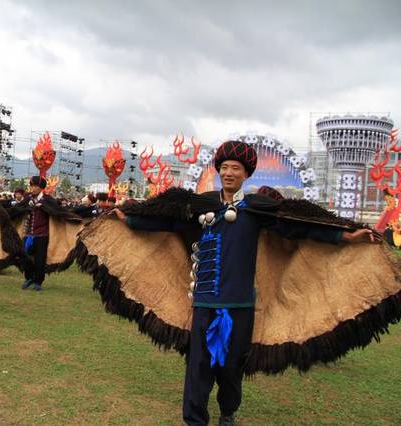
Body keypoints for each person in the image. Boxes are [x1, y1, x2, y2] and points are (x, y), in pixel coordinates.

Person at [113, 140, 379, 426]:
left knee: (231, 367)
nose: (229, 173)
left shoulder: (255, 210)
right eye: (224, 167)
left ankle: (227, 413)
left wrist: (343, 236)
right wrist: (131, 221)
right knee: (198, 365)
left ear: (246, 174)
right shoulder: (201, 206)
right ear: (218, 171)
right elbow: (166, 221)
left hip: (240, 305)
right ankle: (194, 419)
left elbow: (297, 225)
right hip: (204, 302)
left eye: (235, 168)